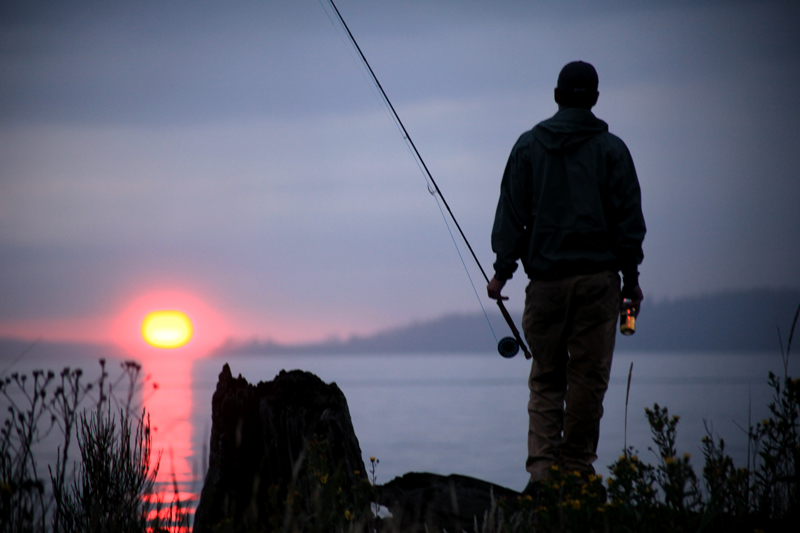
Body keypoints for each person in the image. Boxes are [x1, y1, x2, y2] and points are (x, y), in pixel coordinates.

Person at [487, 61, 646, 495]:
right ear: (594, 99)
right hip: (599, 284)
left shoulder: (527, 147)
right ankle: (577, 472)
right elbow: (629, 223)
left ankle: (541, 476)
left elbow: (511, 218)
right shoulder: (613, 150)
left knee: (546, 378)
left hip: (546, 286)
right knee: (587, 380)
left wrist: (502, 274)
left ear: (556, 95)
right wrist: (631, 277)